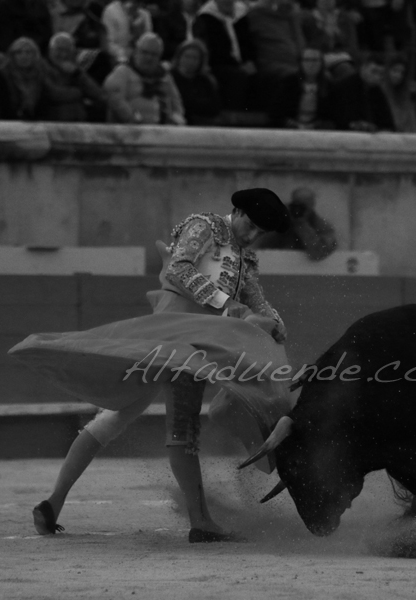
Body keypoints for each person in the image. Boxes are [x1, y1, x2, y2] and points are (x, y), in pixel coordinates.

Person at [16, 188, 293, 543]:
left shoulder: (244, 256)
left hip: (197, 340)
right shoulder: (204, 227)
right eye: (250, 225)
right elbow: (179, 269)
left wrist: (275, 321)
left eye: (260, 232)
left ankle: (53, 502)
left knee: (118, 413)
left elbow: (255, 298)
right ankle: (201, 521)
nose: (252, 235)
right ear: (235, 210)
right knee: (181, 422)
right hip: (181, 336)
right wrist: (231, 308)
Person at [103, 32, 185, 124]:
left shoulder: (165, 76)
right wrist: (132, 118)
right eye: (145, 52)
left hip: (163, 131)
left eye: (154, 54)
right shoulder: (122, 72)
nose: (149, 58)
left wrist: (177, 119)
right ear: (136, 51)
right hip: (131, 130)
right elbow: (115, 99)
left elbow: (176, 103)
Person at [192, 0, 256, 111]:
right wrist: (238, 66)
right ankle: (233, 116)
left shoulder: (241, 16)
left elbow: (248, 42)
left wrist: (250, 60)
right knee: (236, 77)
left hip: (242, 64)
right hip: (218, 65)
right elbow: (214, 50)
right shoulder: (206, 18)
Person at [255, 187, 337, 260]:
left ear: (312, 205)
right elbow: (262, 247)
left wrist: (302, 225)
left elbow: (318, 253)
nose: (299, 210)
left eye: (304, 206)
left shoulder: (322, 226)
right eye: (297, 205)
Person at [42, 32, 107, 122]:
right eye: (59, 50)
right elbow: (54, 94)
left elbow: (99, 95)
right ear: (50, 50)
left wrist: (78, 74)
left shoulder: (75, 69)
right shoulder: (41, 68)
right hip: (52, 121)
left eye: (67, 50)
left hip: (78, 121)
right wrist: (79, 93)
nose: (63, 54)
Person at [268, 46, 333, 129]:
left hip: (318, 129)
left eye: (315, 60)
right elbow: (275, 112)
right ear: (300, 62)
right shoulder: (288, 82)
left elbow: (332, 115)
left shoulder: (329, 85)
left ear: (322, 63)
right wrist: (294, 124)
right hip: (290, 128)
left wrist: (315, 125)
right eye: (307, 60)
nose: (311, 64)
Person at [328, 52, 395, 132]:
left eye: (381, 74)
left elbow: (387, 121)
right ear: (363, 68)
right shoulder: (344, 87)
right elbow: (340, 118)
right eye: (374, 71)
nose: (377, 76)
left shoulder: (377, 92)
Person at [170, 39, 223, 125]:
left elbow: (214, 108)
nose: (190, 61)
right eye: (187, 56)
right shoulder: (170, 77)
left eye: (195, 58)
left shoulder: (206, 81)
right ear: (179, 57)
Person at [380, 52, 416, 133]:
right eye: (395, 70)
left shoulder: (406, 98)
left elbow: (412, 126)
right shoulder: (378, 92)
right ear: (387, 70)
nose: (398, 75)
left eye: (402, 73)